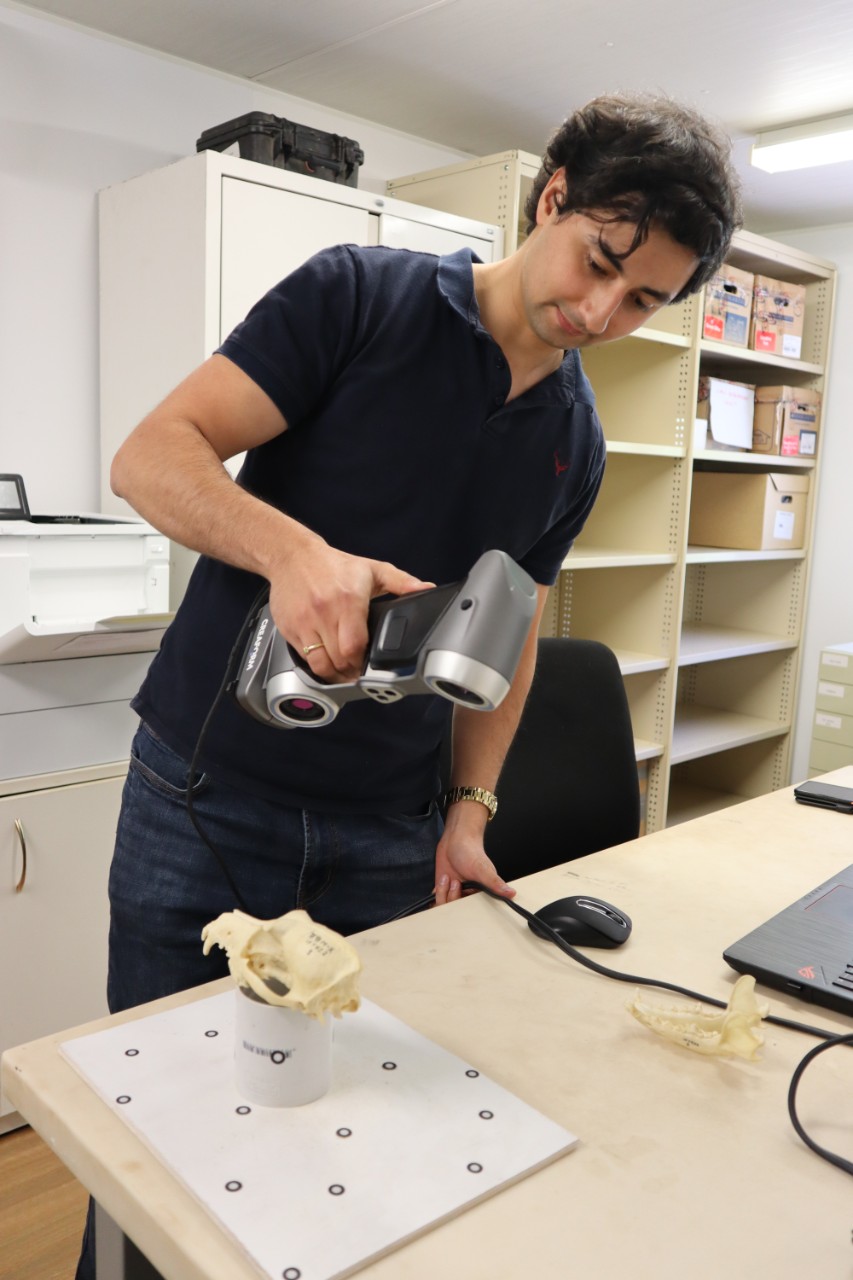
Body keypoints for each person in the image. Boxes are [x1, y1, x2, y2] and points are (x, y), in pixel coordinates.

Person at [74, 89, 740, 1277]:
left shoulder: (574, 442)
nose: (598, 311)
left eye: (641, 301)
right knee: (154, 1137)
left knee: (340, 1145)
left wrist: (471, 810)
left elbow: (514, 632)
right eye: (596, 262)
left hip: (387, 831)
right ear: (551, 200)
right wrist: (290, 551)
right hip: (204, 792)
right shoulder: (358, 296)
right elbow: (150, 454)